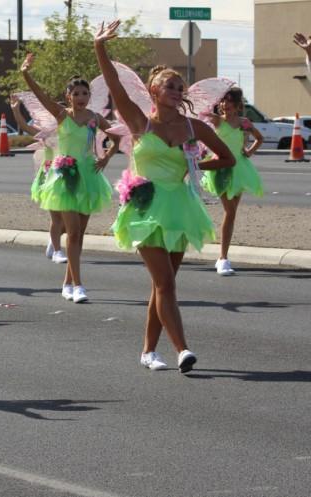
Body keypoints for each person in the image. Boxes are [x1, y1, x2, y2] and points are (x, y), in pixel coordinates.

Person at [95, 20, 234, 373]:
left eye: (179, 86)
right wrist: (100, 48)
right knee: (166, 283)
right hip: (144, 207)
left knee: (163, 285)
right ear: (154, 90)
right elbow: (115, 87)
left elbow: (228, 158)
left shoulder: (194, 127)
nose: (176, 90)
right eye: (169, 86)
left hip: (179, 207)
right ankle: (183, 350)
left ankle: (147, 351)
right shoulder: (141, 123)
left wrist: (194, 162)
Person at [21, 52, 120, 303]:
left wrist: (106, 156)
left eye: (85, 94)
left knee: (80, 234)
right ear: (68, 96)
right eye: (76, 94)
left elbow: (117, 136)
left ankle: (66, 284)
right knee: (73, 232)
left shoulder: (94, 118)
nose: (81, 98)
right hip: (64, 177)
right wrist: (26, 74)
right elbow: (42, 97)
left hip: (88, 175)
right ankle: (78, 285)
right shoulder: (62, 115)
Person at [200, 87, 263, 276]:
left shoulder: (244, 123)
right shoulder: (218, 121)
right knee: (230, 211)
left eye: (229, 101)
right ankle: (223, 258)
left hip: (240, 169)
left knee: (232, 213)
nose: (224, 104)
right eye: (222, 101)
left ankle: (223, 256)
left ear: (237, 106)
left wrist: (249, 152)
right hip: (220, 169)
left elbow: (259, 138)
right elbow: (201, 116)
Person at [9, 95, 68, 264]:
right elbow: (24, 126)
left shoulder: (75, 130)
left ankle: (52, 242)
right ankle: (57, 250)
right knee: (57, 217)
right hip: (50, 176)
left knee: (70, 218)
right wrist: (15, 109)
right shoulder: (47, 133)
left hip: (71, 174)